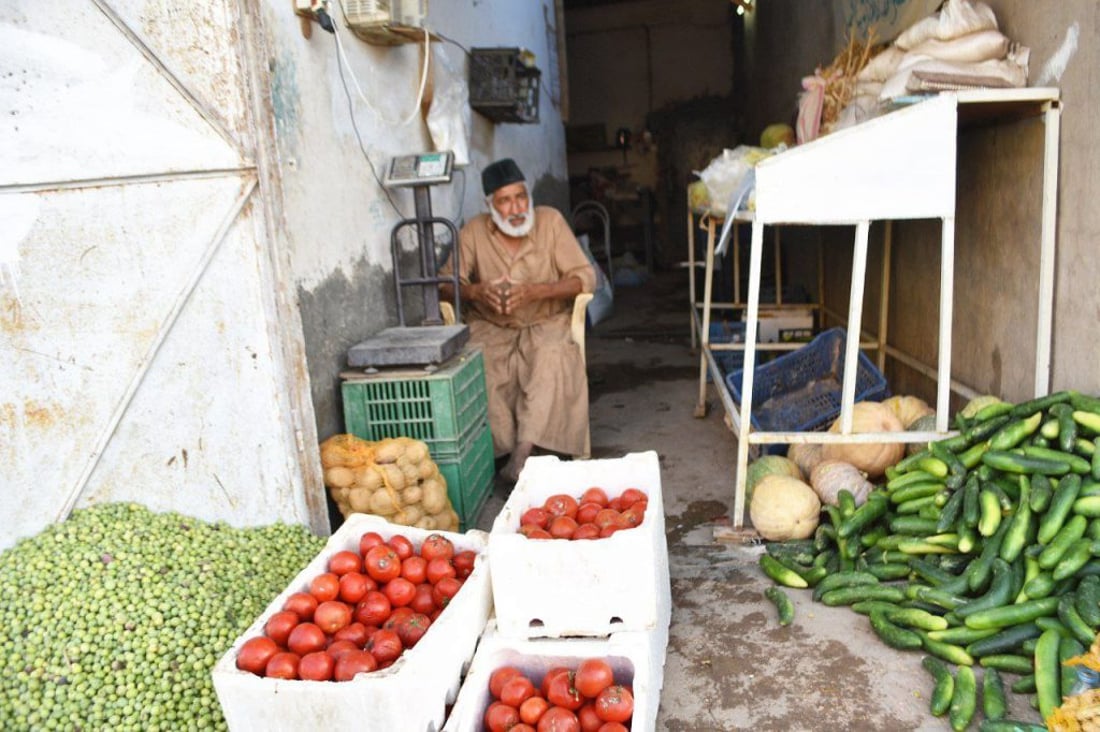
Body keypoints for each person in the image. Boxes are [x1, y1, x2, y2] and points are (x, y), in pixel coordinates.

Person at [440, 158, 596, 482]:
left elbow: (585, 278)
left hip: (546, 319)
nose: (517, 208)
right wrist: (477, 292)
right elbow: (444, 285)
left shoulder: (550, 221)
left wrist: (536, 291)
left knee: (550, 358)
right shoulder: (473, 231)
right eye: (506, 200)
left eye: (521, 196)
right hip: (492, 324)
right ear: (490, 205)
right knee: (478, 362)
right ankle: (500, 453)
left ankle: (523, 454)